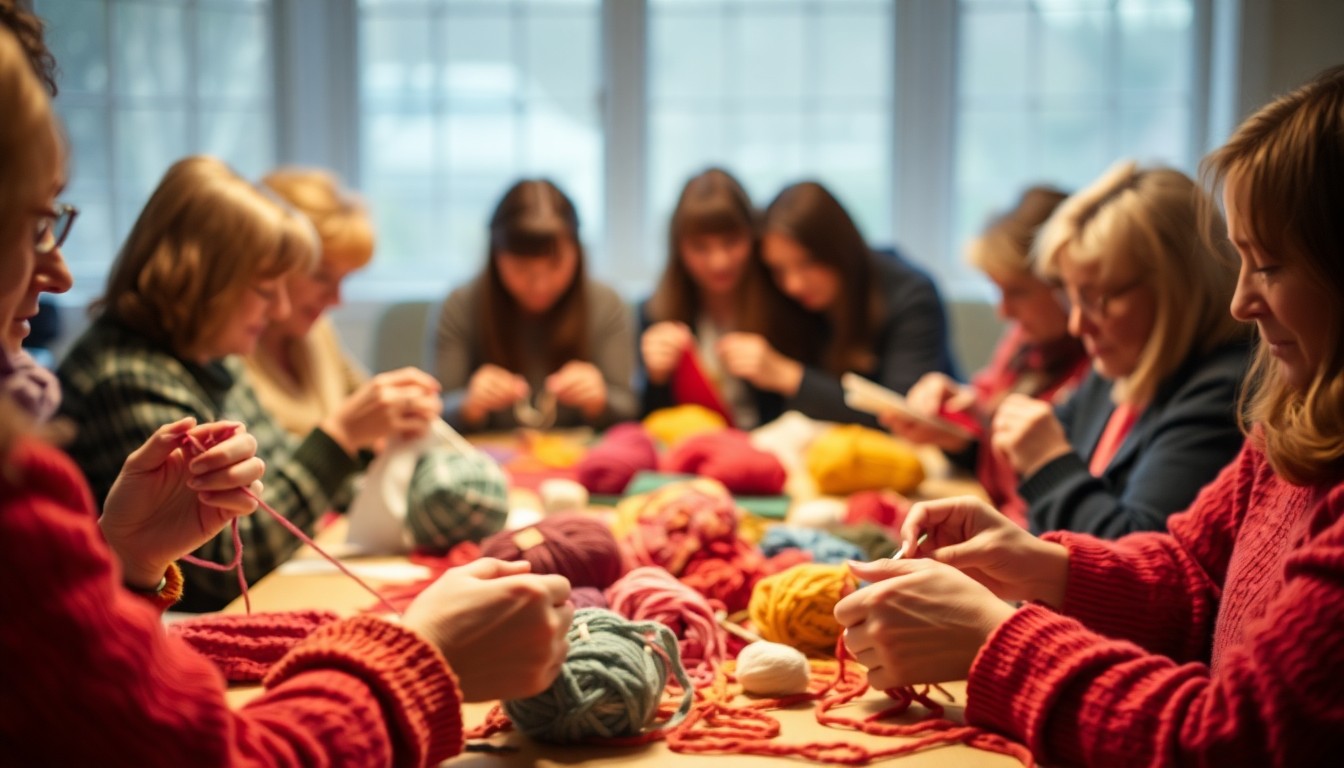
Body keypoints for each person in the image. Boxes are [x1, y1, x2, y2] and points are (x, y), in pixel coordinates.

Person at [0, 26, 571, 765]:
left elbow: (81, 703)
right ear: (206, 276)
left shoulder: (211, 369)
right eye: (35, 223)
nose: (61, 275)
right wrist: (421, 655)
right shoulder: (116, 387)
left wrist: (127, 565)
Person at [836, 65, 1344, 766]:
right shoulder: (1295, 420)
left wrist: (996, 642)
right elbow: (1195, 575)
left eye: (1271, 267)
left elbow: (1234, 740)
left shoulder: (1226, 390)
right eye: (1241, 262)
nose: (1241, 302)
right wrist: (1039, 567)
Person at [56, 156, 445, 611]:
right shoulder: (127, 379)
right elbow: (216, 567)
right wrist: (337, 441)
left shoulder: (211, 357)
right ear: (202, 281)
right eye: (264, 290)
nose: (280, 309)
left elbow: (273, 483)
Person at [985, 163, 1249, 537]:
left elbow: (1135, 563)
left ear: (1177, 287)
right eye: (1071, 298)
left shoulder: (1225, 391)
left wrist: (1047, 462)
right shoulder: (1119, 364)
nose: (1078, 325)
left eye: (1097, 299)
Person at [882, 187, 1089, 526]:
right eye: (998, 290)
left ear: (1067, 283)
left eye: (1018, 292)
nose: (1003, 310)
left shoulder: (1098, 368)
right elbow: (986, 415)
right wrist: (955, 426)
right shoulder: (1025, 342)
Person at [731, 180, 957, 426]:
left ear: (838, 248)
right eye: (778, 270)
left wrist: (791, 377)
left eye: (806, 263)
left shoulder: (910, 295)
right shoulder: (784, 299)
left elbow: (902, 419)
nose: (793, 284)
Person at [245, 168, 437, 439]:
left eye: (343, 280)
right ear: (271, 262)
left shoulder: (317, 330)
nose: (336, 300)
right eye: (321, 276)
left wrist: (403, 406)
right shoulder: (231, 354)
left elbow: (362, 397)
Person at [434, 178, 637, 432]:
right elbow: (435, 410)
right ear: (496, 256)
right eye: (522, 269)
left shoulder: (606, 303)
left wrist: (600, 400)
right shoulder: (461, 304)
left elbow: (630, 408)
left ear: (577, 251)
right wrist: (468, 404)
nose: (540, 285)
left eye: (555, 266)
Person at [637, 167, 782, 427]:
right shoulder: (655, 312)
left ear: (753, 235)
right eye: (700, 247)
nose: (719, 262)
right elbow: (651, 425)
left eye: (731, 242)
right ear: (679, 248)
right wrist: (656, 378)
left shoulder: (783, 302)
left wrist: (776, 371)